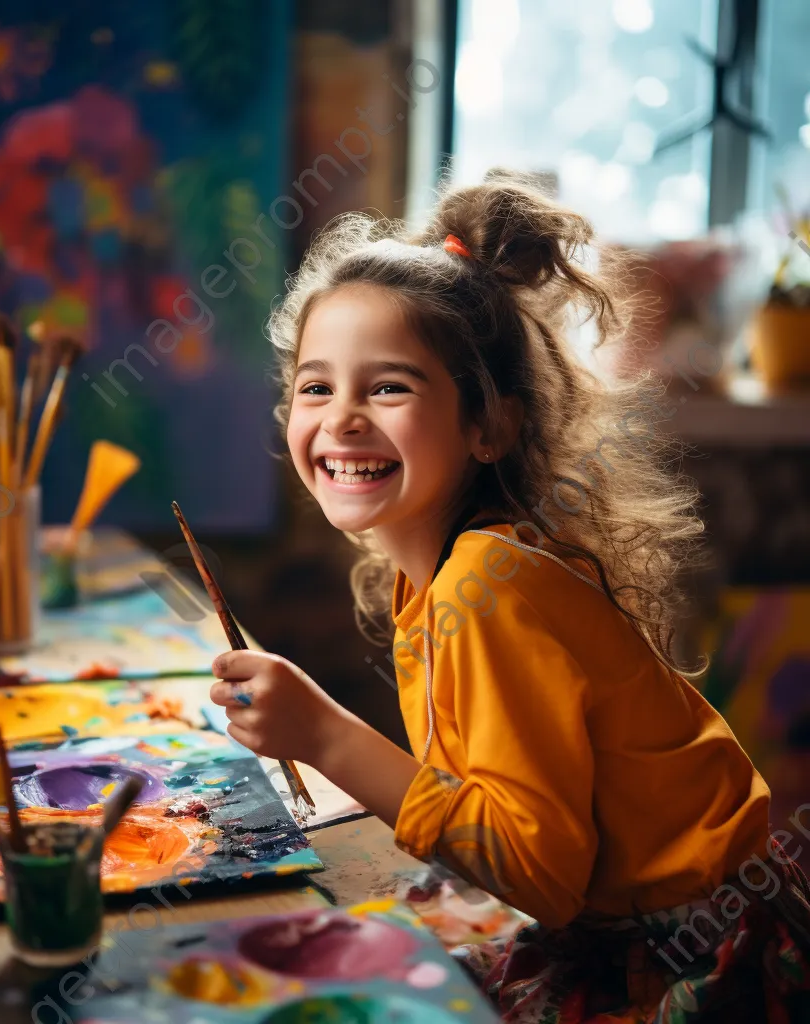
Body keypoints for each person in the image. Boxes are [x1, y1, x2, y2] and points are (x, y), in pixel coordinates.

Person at [207, 181, 810, 1021]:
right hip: (636, 931)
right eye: (316, 387)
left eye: (387, 388)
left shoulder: (490, 587)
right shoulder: (450, 574)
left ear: (490, 426)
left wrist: (325, 737)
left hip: (701, 965)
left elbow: (539, 874)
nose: (341, 417)